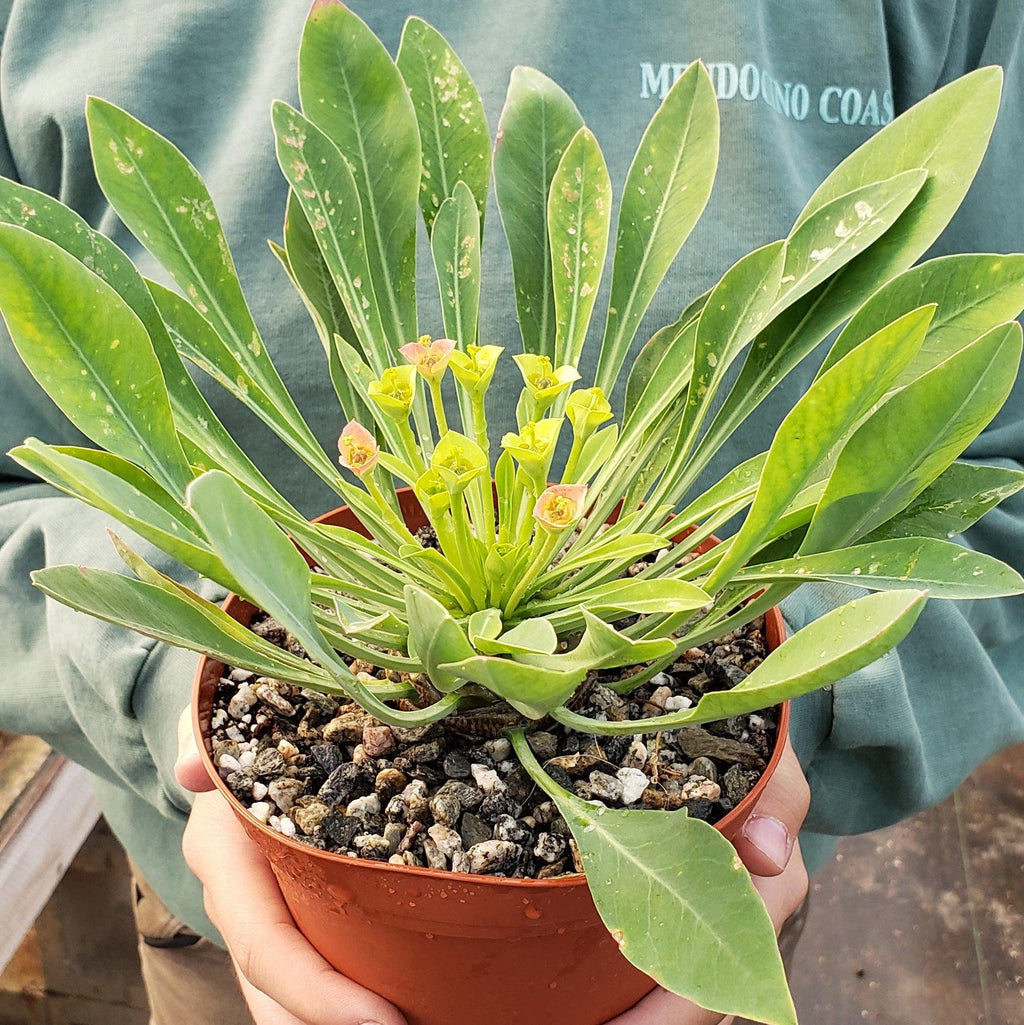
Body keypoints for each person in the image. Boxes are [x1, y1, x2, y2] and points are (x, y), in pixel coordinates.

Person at [0, 1, 1021, 1023]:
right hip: (227, 928)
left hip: (713, 917)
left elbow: (988, 476)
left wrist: (815, 687)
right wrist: (168, 672)